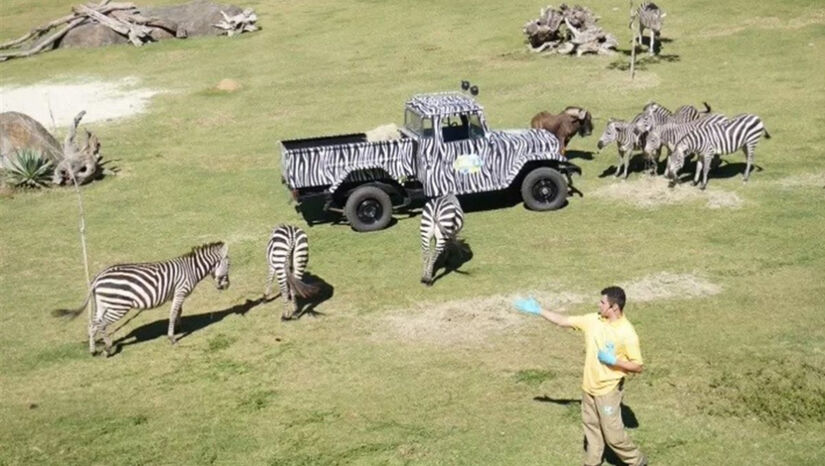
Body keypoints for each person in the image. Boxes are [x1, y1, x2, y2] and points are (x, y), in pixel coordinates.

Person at [514, 286, 647, 466]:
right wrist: (539, 310)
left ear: (614, 307)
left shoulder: (627, 332)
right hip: (588, 387)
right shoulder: (593, 320)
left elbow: (638, 366)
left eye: (602, 302)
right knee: (592, 430)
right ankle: (592, 462)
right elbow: (563, 321)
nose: (598, 304)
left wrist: (614, 361)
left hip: (607, 390)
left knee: (613, 436)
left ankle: (637, 461)